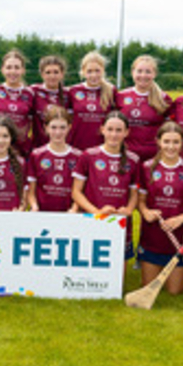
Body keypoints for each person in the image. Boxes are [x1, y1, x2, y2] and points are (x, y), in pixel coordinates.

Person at [137, 122, 183, 294]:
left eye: (175, 142)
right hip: (152, 236)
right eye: (166, 141)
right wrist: (145, 212)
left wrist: (180, 219)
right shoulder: (147, 167)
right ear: (158, 141)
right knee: (148, 287)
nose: (171, 147)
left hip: (178, 238)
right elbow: (140, 200)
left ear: (182, 143)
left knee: (174, 291)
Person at [72, 111, 139, 262]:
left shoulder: (133, 160)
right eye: (110, 129)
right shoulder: (88, 155)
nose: (114, 134)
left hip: (119, 222)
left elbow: (134, 193)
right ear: (102, 129)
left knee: (116, 277)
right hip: (92, 219)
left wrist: (128, 210)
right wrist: (97, 213)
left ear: (126, 132)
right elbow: (76, 192)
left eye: (118, 130)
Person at [116, 55, 172, 162]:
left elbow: (170, 130)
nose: (143, 75)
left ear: (154, 74)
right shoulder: (121, 96)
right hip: (125, 154)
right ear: (133, 72)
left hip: (153, 157)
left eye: (148, 72)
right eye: (139, 71)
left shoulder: (164, 98)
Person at [27, 106, 81, 212]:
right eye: (53, 127)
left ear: (69, 127)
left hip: (69, 215)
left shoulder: (78, 156)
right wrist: (34, 206)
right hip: (43, 214)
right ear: (46, 127)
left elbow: (80, 190)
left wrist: (74, 208)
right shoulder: (36, 155)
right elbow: (31, 191)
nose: (58, 132)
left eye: (62, 127)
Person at [0, 49, 35, 156]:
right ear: (2, 69)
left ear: (23, 70)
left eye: (17, 67)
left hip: (21, 150)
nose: (13, 71)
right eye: (9, 67)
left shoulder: (30, 93)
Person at [67, 51, 116, 151]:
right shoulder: (73, 91)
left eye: (97, 71)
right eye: (89, 71)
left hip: (102, 147)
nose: (93, 75)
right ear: (83, 72)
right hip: (76, 145)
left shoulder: (111, 91)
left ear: (103, 70)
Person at [31, 55, 70, 148]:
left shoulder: (69, 94)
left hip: (62, 147)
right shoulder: (33, 91)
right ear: (42, 74)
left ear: (62, 74)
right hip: (38, 147)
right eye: (48, 72)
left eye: (56, 72)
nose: (52, 76)